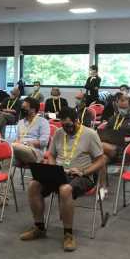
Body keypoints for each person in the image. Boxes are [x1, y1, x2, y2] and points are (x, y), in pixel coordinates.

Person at [20, 107, 106, 251]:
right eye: (64, 126)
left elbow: (101, 160)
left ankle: (68, 234)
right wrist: (52, 167)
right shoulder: (59, 133)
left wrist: (83, 171)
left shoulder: (90, 134)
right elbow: (51, 155)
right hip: (60, 172)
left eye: (69, 125)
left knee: (65, 189)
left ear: (77, 121)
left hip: (82, 175)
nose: (67, 129)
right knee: (33, 185)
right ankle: (39, 227)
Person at [0, 97, 50, 209]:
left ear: (33, 109)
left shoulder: (43, 122)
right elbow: (17, 139)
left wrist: (24, 143)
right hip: (18, 151)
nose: (22, 109)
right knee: (7, 157)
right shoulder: (21, 122)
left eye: (25, 108)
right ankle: (4, 198)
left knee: (9, 147)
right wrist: (18, 143)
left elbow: (44, 142)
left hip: (34, 154)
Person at [99, 94, 130, 191]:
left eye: (124, 107)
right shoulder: (113, 118)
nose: (121, 109)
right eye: (120, 107)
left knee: (99, 146)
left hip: (127, 151)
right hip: (110, 149)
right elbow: (105, 132)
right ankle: (103, 187)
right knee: (101, 159)